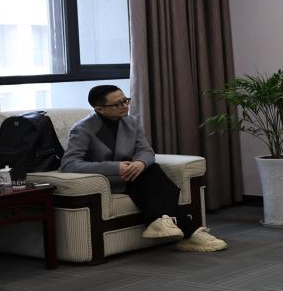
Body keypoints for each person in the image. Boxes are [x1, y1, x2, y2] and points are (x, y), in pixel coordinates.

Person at [61, 85, 227, 252]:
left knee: (151, 169)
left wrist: (140, 163)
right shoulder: (82, 129)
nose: (125, 106)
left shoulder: (131, 122)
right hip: (109, 181)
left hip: (135, 176)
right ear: (100, 109)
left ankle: (161, 221)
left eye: (126, 100)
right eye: (118, 104)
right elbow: (69, 164)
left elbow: (146, 150)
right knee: (154, 177)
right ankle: (189, 233)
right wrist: (115, 167)